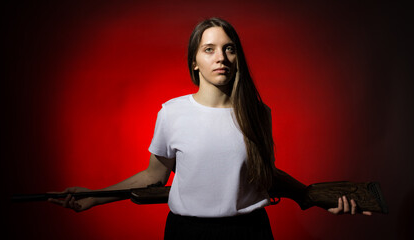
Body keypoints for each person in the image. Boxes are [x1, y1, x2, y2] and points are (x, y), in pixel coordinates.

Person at [49, 18, 371, 239]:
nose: (222, 57)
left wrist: (313, 197)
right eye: (210, 49)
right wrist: (93, 197)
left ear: (237, 57)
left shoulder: (258, 113)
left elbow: (266, 177)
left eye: (229, 48)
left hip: (251, 232)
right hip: (186, 233)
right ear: (194, 61)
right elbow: (153, 177)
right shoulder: (172, 113)